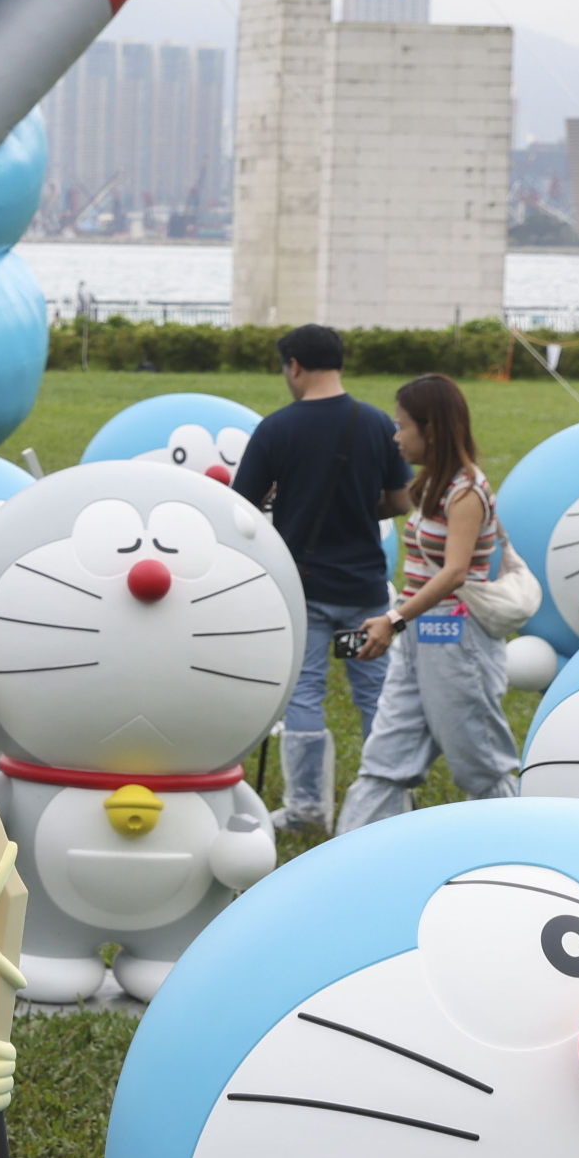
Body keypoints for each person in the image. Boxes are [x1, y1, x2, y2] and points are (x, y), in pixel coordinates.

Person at [226, 324, 408, 829]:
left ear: (295, 367)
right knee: (374, 692)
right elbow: (399, 500)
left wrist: (287, 502)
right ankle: (386, 804)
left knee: (306, 691)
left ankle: (306, 807)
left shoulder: (277, 429)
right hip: (365, 592)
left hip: (303, 590)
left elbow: (240, 505)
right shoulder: (375, 425)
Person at [336, 372, 515, 829]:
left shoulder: (467, 491)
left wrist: (393, 618)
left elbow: (455, 571)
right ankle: (350, 858)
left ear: (430, 429)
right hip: (420, 635)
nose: (396, 437)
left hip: (458, 638)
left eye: (403, 426)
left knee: (482, 761)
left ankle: (516, 843)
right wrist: (403, 624)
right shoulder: (434, 485)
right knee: (385, 756)